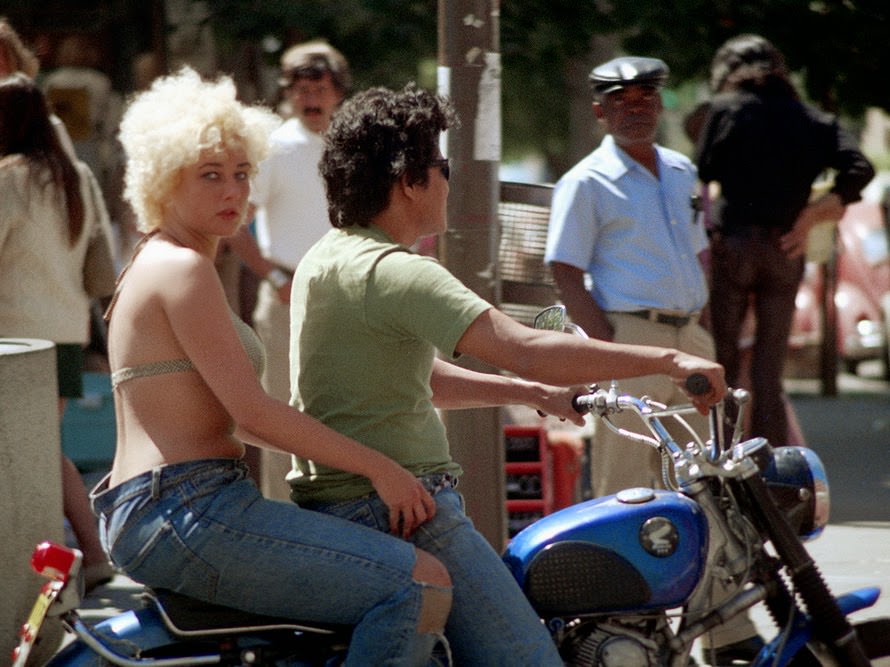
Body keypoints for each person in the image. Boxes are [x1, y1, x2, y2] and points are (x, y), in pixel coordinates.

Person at [287, 82, 727, 666]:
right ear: (408, 180)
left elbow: (419, 380)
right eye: (441, 166)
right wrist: (671, 361)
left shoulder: (328, 257)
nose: (449, 181)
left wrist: (535, 394)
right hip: (404, 507)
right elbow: (528, 346)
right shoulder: (399, 272)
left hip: (352, 500)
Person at [88, 67, 455, 666]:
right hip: (188, 506)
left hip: (164, 506)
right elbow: (252, 414)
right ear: (162, 178)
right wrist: (380, 468)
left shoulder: (152, 261)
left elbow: (245, 418)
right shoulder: (183, 270)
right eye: (210, 176)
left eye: (241, 174)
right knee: (422, 581)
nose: (233, 191)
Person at [545, 56, 716, 497]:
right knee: (626, 479)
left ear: (659, 105)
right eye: (620, 101)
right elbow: (564, 269)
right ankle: (623, 569)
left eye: (645, 99)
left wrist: (706, 328)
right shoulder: (586, 182)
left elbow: (700, 254)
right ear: (600, 112)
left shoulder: (682, 171)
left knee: (702, 473)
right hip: (631, 337)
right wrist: (606, 347)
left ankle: (705, 567)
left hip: (691, 336)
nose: (635, 109)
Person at [694, 34, 875, 449]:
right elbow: (859, 167)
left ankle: (723, 460)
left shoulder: (724, 111)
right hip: (784, 250)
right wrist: (812, 214)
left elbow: (704, 170)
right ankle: (771, 474)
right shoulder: (812, 119)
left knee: (722, 362)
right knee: (768, 374)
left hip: (734, 246)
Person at [0, 73, 115, 592]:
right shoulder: (74, 177)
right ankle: (84, 554)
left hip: (16, 335)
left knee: (33, 450)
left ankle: (79, 555)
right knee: (44, 446)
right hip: (66, 331)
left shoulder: (10, 179)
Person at [226, 39, 351, 499]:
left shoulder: (351, 144)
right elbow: (236, 222)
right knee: (281, 415)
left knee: (346, 412)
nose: (310, 98)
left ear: (338, 91)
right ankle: (284, 518)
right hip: (286, 295)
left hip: (346, 296)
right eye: (300, 89)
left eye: (320, 87)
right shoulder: (276, 147)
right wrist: (274, 278)